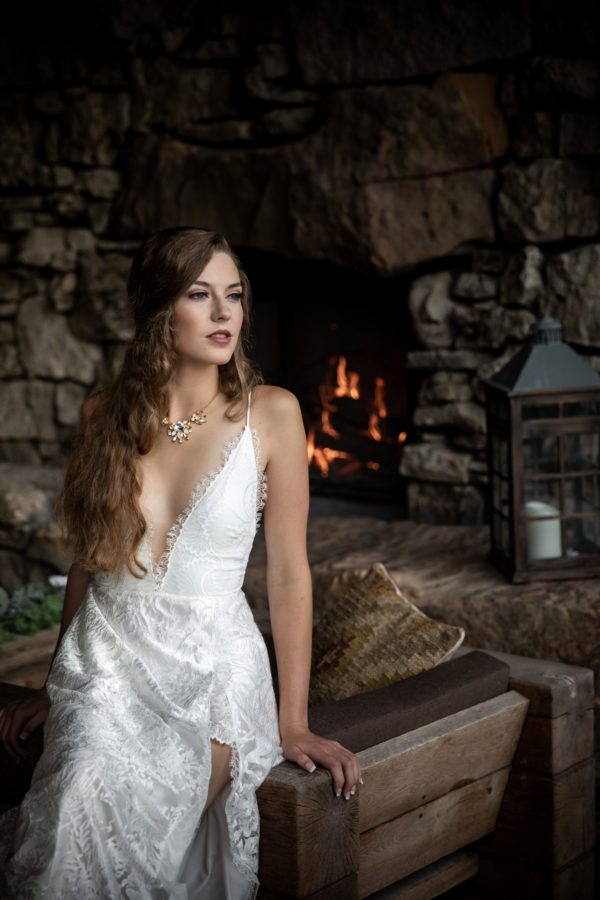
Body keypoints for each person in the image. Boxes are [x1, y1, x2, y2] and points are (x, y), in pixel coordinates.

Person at [0, 226, 361, 899]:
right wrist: (57, 686)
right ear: (159, 310)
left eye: (234, 295)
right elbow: (88, 563)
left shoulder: (273, 414)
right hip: (105, 658)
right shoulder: (103, 414)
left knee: (155, 814)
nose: (225, 313)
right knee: (76, 794)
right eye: (201, 295)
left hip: (213, 669)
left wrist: (294, 721)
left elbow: (288, 575)